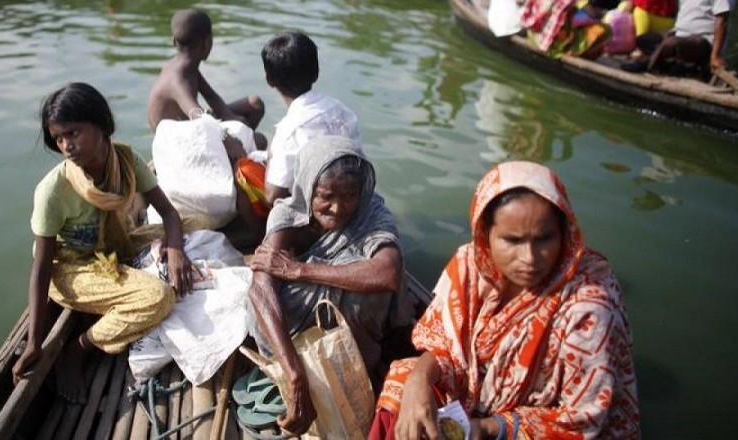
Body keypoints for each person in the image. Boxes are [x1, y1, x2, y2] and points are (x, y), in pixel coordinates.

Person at [368, 161, 640, 440]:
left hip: (537, 427)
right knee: (404, 381)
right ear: (486, 234)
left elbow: (585, 416)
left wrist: (493, 427)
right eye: (512, 240)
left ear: (564, 232)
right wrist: (419, 380)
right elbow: (445, 347)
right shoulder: (470, 267)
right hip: (476, 402)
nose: (530, 259)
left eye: (544, 239)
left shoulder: (590, 303)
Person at [11, 83, 190, 403]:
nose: (66, 145)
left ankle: (134, 282)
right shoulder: (53, 190)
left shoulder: (124, 159)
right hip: (72, 268)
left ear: (101, 125)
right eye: (59, 138)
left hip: (110, 247)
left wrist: (175, 251)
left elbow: (169, 214)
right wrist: (34, 342)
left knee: (196, 226)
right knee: (158, 297)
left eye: (73, 133)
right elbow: (41, 268)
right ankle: (79, 349)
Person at [249, 136, 410, 436]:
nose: (338, 208)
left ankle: (359, 371)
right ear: (308, 187)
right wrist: (294, 373)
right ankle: (298, 366)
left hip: (350, 334)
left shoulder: (371, 212)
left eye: (349, 195)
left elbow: (388, 272)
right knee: (262, 303)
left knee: (366, 294)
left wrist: (300, 270)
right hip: (296, 339)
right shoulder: (286, 215)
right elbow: (260, 288)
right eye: (326, 196)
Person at [260, 31, 363, 207]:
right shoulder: (343, 111)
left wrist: (270, 157)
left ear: (270, 80)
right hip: (351, 198)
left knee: (244, 174)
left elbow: (273, 196)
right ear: (316, 73)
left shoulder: (289, 129)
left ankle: (261, 233)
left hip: (318, 212)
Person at [146, 8, 265, 133]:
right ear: (207, 43)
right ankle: (240, 149)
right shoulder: (178, 81)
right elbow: (201, 121)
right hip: (178, 140)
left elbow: (211, 96)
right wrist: (231, 138)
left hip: (194, 125)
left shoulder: (187, 68)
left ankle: (243, 145)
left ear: (174, 41)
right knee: (260, 141)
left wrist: (229, 116)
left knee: (255, 104)